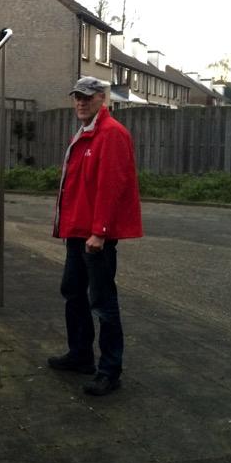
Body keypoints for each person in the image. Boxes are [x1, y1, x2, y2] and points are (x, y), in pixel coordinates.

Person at [48, 76, 143, 396]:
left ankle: (110, 370)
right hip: (78, 232)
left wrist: (100, 232)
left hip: (95, 237)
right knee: (73, 293)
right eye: (77, 96)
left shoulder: (111, 134)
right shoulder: (87, 132)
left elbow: (111, 188)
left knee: (102, 302)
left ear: (104, 98)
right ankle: (81, 355)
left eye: (87, 97)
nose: (80, 102)